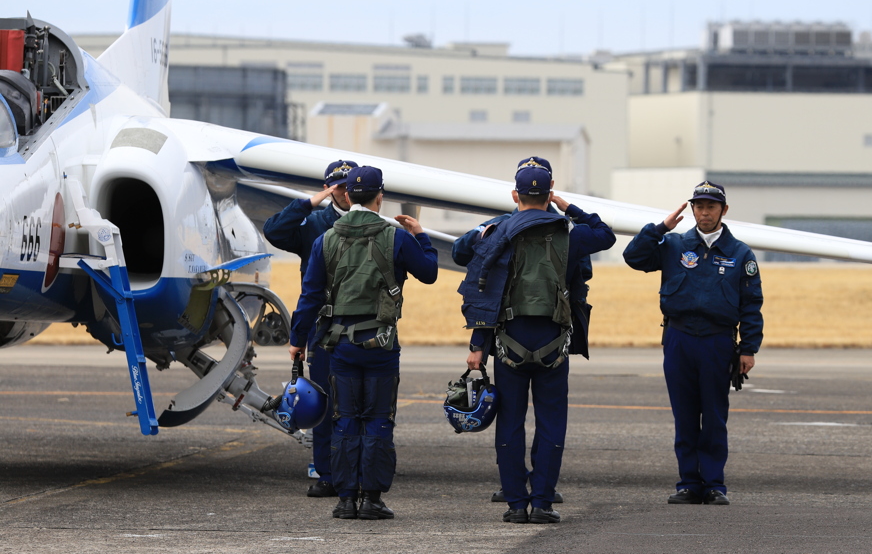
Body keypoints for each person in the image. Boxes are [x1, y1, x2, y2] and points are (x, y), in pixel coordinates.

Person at [459, 163, 615, 523]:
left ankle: (516, 504)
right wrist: (570, 207)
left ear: (515, 195)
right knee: (551, 422)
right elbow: (605, 234)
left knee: (510, 422)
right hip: (553, 341)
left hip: (508, 341)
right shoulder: (570, 233)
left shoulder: (497, 232)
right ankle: (543, 502)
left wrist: (478, 343)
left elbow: (485, 287)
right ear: (550, 193)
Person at [288, 166, 438, 520]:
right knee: (378, 419)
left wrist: (297, 339)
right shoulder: (396, 237)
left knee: (344, 419)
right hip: (381, 345)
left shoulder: (324, 240)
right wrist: (421, 235)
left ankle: (344, 498)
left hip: (338, 345)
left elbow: (309, 297)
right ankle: (371, 498)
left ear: (349, 196)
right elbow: (429, 273)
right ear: (379, 196)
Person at [622, 181, 763, 506]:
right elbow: (633, 257)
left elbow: (752, 303)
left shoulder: (740, 253)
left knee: (714, 414)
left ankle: (714, 484)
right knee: (684, 414)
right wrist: (659, 228)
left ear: (723, 210)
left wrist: (749, 347)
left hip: (717, 341)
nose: (704, 212)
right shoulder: (672, 244)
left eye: (711, 206)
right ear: (692, 209)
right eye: (699, 206)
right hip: (679, 338)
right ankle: (688, 483)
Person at [263, 159, 359, 498]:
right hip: (323, 324)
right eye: (339, 187)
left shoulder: (374, 224)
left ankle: (358, 469)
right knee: (323, 401)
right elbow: (274, 231)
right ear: (329, 189)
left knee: (361, 402)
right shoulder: (314, 223)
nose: (346, 193)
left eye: (351, 186)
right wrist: (309, 202)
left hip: (363, 322)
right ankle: (327, 473)